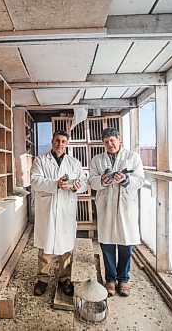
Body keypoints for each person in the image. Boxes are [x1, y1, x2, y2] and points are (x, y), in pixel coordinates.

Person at [88, 127, 145, 297]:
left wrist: (126, 179)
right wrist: (103, 181)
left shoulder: (132, 157)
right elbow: (91, 181)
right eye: (106, 142)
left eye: (112, 140)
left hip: (126, 206)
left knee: (126, 244)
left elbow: (140, 180)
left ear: (119, 139)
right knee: (107, 244)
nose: (110, 144)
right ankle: (111, 279)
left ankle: (124, 279)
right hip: (106, 205)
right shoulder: (97, 160)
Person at [30, 130, 87, 296]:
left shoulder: (74, 163)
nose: (60, 144)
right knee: (45, 245)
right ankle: (43, 279)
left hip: (66, 209)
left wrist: (78, 186)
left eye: (63, 141)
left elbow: (83, 182)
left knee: (66, 246)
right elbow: (34, 181)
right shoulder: (40, 160)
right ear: (52, 141)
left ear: (67, 143)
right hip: (47, 207)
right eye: (57, 140)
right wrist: (56, 184)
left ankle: (64, 278)